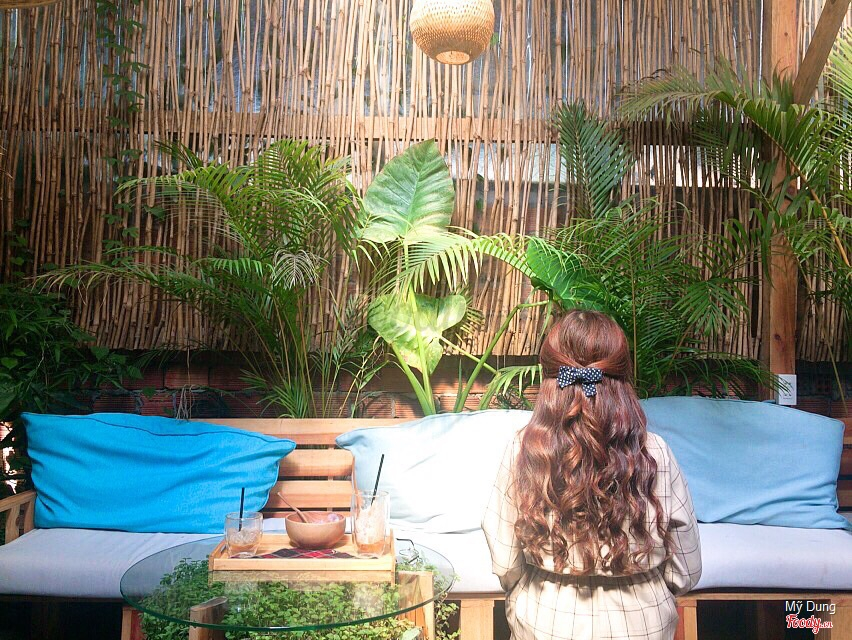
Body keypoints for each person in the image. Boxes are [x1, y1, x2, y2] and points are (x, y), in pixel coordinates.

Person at [483, 310, 701, 640]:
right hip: (642, 623)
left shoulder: (522, 449)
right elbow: (687, 568)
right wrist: (651, 590)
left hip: (547, 622)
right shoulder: (656, 452)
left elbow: (504, 561)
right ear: (622, 376)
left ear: (549, 376)